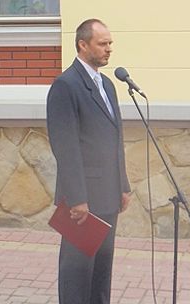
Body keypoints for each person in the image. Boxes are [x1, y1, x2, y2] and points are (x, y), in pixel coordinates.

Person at [46, 19, 131, 303]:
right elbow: (65, 146)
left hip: (107, 195)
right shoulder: (65, 85)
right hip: (82, 203)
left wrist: (123, 185)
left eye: (110, 43)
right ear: (83, 45)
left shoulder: (107, 83)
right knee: (77, 274)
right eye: (102, 44)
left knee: (101, 272)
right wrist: (77, 198)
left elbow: (114, 139)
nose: (109, 49)